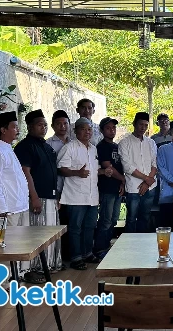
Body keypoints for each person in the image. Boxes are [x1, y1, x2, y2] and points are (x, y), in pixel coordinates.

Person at [14, 109, 60, 282]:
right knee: (35, 235)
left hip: (50, 197)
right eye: (40, 125)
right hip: (36, 198)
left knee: (48, 233)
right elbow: (26, 173)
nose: (44, 128)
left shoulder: (46, 146)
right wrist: (33, 197)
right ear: (30, 127)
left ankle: (46, 266)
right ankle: (31, 270)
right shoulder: (25, 147)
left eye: (45, 125)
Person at [58, 117, 108, 270]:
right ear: (76, 131)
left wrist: (104, 171)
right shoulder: (70, 147)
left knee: (90, 227)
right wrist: (76, 173)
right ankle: (76, 258)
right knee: (75, 228)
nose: (87, 132)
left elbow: (93, 170)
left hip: (92, 196)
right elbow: (61, 168)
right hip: (75, 196)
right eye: (83, 129)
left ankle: (87, 253)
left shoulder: (93, 148)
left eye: (89, 129)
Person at [0, 111, 31, 278]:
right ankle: (3, 284)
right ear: (3, 130)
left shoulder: (7, 148)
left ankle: (16, 277)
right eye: (14, 127)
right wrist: (1, 209)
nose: (17, 131)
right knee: (4, 248)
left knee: (17, 246)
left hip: (18, 206)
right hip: (7, 210)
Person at [119, 112, 158, 233]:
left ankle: (143, 246)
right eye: (141, 124)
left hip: (150, 187)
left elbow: (154, 164)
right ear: (134, 124)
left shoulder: (151, 142)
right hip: (133, 188)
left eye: (146, 125)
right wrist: (147, 179)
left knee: (145, 217)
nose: (143, 128)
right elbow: (127, 166)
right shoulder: (124, 143)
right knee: (131, 219)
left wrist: (147, 182)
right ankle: (131, 248)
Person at [94, 117, 125, 258]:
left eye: (113, 128)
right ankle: (100, 249)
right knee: (105, 220)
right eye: (108, 128)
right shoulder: (101, 147)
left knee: (113, 219)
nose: (112, 130)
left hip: (117, 188)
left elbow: (120, 167)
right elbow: (108, 167)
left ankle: (106, 246)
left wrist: (122, 183)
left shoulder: (116, 146)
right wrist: (124, 179)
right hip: (106, 189)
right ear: (102, 130)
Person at [46, 110, 71, 260]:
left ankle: (68, 255)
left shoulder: (75, 142)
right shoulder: (48, 144)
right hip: (57, 190)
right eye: (59, 124)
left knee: (71, 223)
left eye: (65, 123)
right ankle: (57, 257)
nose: (62, 126)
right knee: (58, 224)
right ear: (53, 126)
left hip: (73, 190)